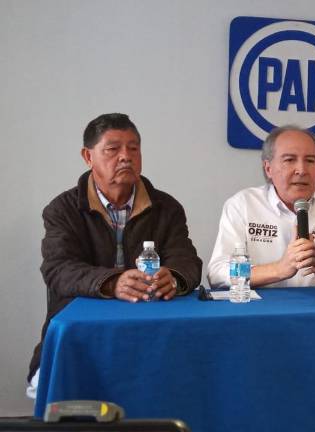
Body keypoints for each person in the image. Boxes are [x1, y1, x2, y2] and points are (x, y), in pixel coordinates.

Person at [27, 113, 203, 398]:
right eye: (113, 149)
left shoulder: (166, 207)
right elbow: (58, 270)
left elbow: (187, 261)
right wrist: (112, 282)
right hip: (84, 333)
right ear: (88, 156)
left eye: (133, 148)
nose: (126, 157)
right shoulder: (63, 210)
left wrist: (175, 277)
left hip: (153, 330)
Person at [207, 125, 315, 288]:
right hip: (262, 312)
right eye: (289, 160)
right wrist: (278, 269)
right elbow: (218, 272)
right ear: (268, 168)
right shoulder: (243, 205)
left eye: (310, 161)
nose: (301, 170)